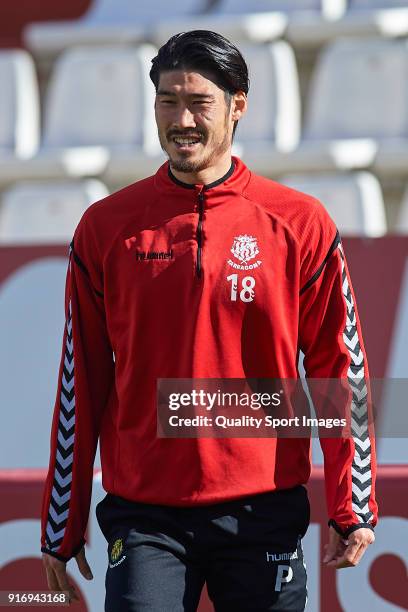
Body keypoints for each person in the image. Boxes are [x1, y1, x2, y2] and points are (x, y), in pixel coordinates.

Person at [41, 30, 377, 611]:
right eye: (167, 102)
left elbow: (338, 368)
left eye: (199, 102)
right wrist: (61, 523)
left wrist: (352, 504)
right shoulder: (106, 227)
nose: (182, 120)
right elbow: (82, 381)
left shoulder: (301, 223)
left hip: (262, 508)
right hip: (144, 515)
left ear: (237, 104)